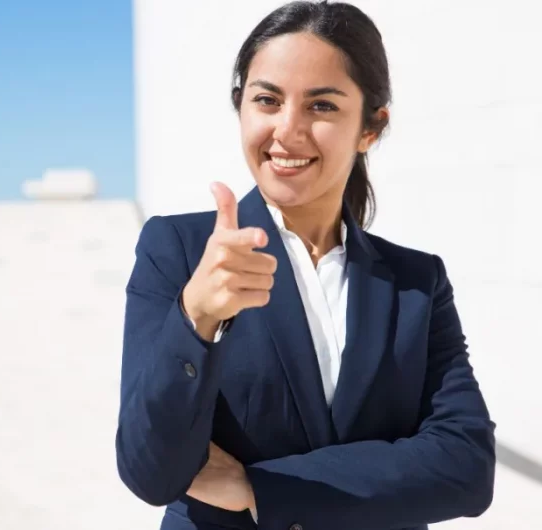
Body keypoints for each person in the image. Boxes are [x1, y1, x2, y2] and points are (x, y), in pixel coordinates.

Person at [115, 1, 496, 529]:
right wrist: (195, 319)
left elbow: (467, 469)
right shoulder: (180, 249)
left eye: (321, 107)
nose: (287, 131)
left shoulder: (416, 283)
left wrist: (259, 488)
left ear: (370, 128)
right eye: (267, 100)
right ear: (241, 106)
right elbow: (149, 472)